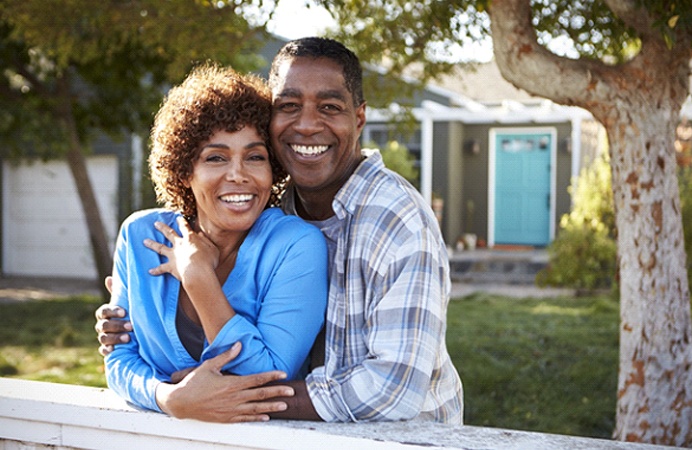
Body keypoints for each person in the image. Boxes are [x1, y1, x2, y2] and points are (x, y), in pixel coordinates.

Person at [97, 37, 464, 425]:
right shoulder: (281, 206)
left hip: (407, 438)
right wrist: (169, 396)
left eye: (329, 107)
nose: (306, 125)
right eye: (288, 106)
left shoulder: (397, 221)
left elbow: (394, 389)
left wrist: (221, 396)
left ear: (359, 119)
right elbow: (122, 355)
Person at [103, 63, 328, 417]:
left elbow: (269, 378)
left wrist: (197, 277)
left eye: (255, 157)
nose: (238, 175)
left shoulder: (295, 246)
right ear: (184, 170)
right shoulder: (140, 236)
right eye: (216, 158)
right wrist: (168, 397)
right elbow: (118, 358)